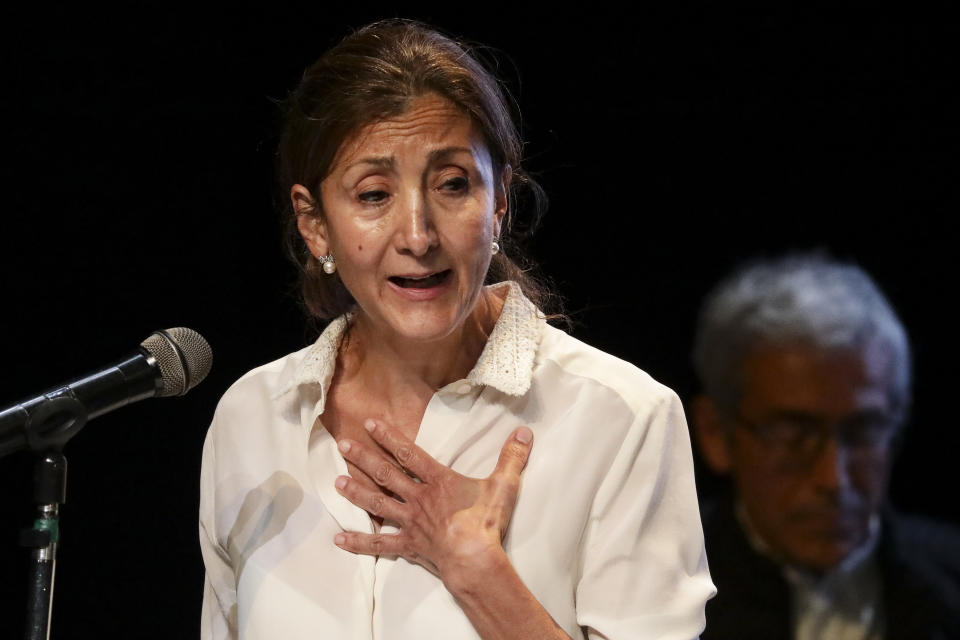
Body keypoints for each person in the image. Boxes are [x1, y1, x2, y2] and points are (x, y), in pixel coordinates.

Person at [198, 19, 714, 640]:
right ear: (314, 225)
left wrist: (479, 574)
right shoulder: (252, 417)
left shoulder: (622, 419)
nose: (418, 237)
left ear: (499, 202)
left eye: (452, 184)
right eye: (373, 194)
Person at [690, 252, 960, 640]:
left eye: (865, 431)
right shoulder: (658, 586)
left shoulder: (947, 582)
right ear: (715, 432)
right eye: (792, 435)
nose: (833, 479)